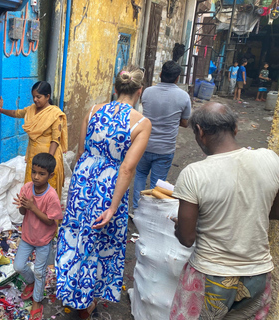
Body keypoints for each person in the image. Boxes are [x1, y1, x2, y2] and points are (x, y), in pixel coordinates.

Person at [55, 65, 151, 318]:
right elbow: (127, 169)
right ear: (139, 91)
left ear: (115, 87)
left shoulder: (94, 110)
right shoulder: (141, 123)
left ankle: (72, 292)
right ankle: (88, 301)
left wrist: (77, 187)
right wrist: (112, 206)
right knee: (101, 240)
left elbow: (82, 149)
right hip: (110, 186)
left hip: (83, 178)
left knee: (77, 234)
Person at [170, 102, 279, 319]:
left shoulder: (194, 174)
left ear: (200, 132)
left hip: (211, 277)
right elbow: (274, 212)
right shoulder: (270, 159)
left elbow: (186, 238)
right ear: (236, 129)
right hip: (257, 276)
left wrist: (180, 225)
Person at [132, 61, 191, 210]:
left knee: (140, 175)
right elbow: (185, 123)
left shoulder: (147, 92)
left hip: (144, 144)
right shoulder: (183, 96)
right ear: (177, 78)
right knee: (157, 183)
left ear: (160, 74)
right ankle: (150, 211)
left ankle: (136, 208)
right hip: (165, 148)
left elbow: (147, 112)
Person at [0, 81, 68, 198]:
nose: (35, 99)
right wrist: (1, 110)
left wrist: (48, 163)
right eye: (33, 97)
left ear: (47, 96)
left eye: (38, 97)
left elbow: (55, 139)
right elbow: (16, 113)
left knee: (47, 195)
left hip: (49, 158)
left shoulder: (54, 114)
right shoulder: (31, 109)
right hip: (34, 157)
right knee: (32, 190)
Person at [13, 153, 63, 320]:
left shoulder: (51, 196)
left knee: (41, 272)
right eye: (34, 172)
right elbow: (22, 212)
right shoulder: (27, 188)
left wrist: (33, 207)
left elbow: (51, 222)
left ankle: (37, 301)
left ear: (50, 175)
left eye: (41, 174)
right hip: (27, 236)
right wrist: (22, 205)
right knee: (18, 266)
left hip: (43, 240)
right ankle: (32, 281)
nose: (36, 176)